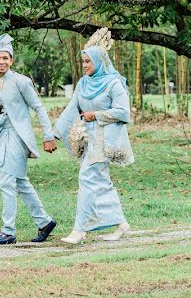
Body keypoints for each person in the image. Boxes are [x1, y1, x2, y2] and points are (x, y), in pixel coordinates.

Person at [54, 29, 134, 244]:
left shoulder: (113, 83)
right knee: (101, 182)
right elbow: (73, 108)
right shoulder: (83, 83)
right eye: (84, 62)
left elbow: (124, 112)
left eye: (89, 62)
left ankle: (80, 230)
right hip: (89, 140)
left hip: (105, 140)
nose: (86, 66)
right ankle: (121, 224)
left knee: (87, 178)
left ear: (100, 61)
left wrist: (95, 115)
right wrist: (54, 133)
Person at [0, 34, 58, 245]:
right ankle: (44, 222)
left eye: (5, 58)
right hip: (2, 137)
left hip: (18, 136)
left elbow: (38, 107)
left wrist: (48, 135)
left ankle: (8, 231)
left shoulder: (21, 81)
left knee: (6, 181)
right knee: (20, 182)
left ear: (11, 60)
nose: (1, 62)